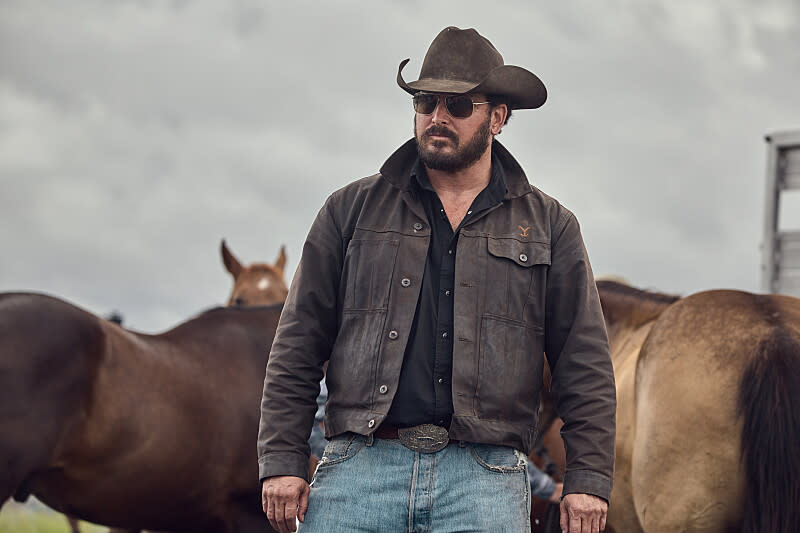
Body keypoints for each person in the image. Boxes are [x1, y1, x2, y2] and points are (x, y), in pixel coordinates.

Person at [258, 26, 616, 533]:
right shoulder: (349, 211)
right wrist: (281, 460)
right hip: (359, 471)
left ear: (497, 117)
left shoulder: (550, 227)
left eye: (458, 104)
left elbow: (584, 364)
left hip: (485, 481)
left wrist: (588, 480)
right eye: (426, 102)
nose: (437, 117)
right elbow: (296, 343)